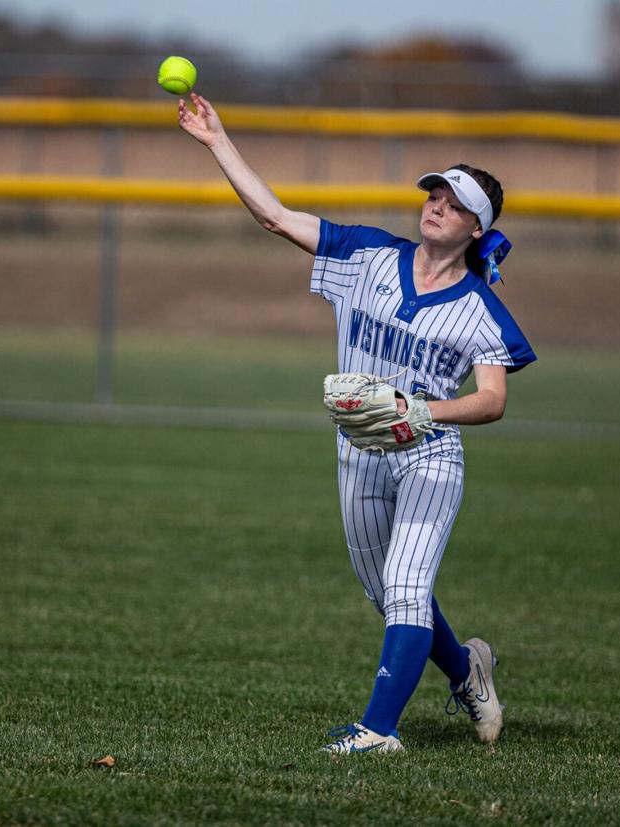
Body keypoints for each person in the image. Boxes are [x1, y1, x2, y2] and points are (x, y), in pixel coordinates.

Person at [178, 93, 536, 753]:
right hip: (358, 454)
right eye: (435, 193)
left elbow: (492, 400)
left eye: (455, 203)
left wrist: (424, 409)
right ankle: (467, 669)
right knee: (391, 593)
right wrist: (216, 140)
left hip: (429, 453)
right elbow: (275, 217)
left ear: (476, 230)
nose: (436, 204)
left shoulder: (481, 310)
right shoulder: (367, 256)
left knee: (406, 585)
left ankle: (377, 730)